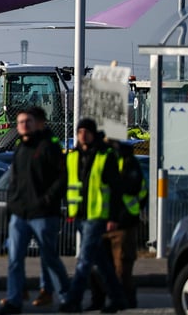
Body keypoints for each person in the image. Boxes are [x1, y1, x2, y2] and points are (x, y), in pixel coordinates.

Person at [0, 107, 71, 315]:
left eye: (27, 121)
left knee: (49, 257)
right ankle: (14, 299)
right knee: (14, 258)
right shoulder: (21, 147)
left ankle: (66, 296)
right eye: (20, 122)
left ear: (37, 123)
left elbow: (61, 178)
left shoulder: (48, 146)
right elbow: (15, 178)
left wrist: (46, 200)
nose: (23, 125)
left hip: (43, 214)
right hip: (20, 214)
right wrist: (13, 202)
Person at [59, 119, 128, 314]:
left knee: (85, 260)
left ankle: (73, 300)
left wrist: (113, 217)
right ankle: (117, 298)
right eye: (79, 131)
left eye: (86, 131)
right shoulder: (72, 156)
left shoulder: (105, 156)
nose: (82, 135)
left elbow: (116, 189)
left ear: (93, 133)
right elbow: (66, 183)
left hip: (97, 215)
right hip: (80, 215)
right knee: (102, 262)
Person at [90, 136, 146, 310]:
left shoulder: (127, 162)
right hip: (101, 220)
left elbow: (136, 190)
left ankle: (125, 302)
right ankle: (99, 301)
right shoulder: (99, 160)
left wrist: (124, 215)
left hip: (123, 223)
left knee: (121, 266)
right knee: (98, 266)